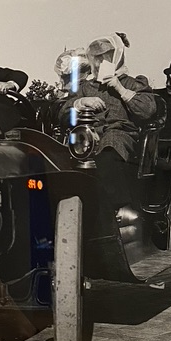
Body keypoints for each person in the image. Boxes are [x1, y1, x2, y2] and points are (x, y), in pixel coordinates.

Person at [61, 33, 156, 218]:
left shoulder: (133, 83)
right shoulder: (85, 87)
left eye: (106, 57)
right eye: (97, 58)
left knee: (108, 150)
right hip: (86, 139)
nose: (101, 62)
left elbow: (147, 110)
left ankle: (122, 207)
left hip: (120, 136)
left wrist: (120, 88)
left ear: (117, 57)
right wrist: (81, 102)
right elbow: (62, 114)